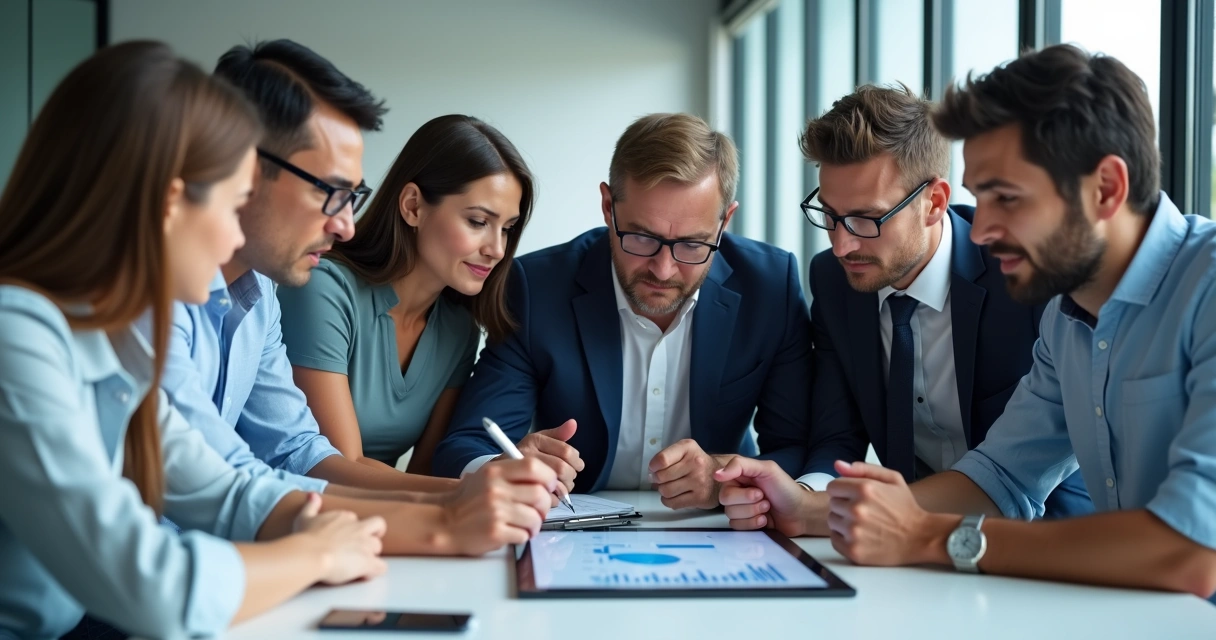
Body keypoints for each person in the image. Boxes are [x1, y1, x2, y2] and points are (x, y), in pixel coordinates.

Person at [721, 44, 1216, 599]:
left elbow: (1195, 549)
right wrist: (810, 510)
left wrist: (931, 539)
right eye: (982, 197)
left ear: (1105, 188)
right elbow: (999, 477)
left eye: (1007, 198)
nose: (979, 231)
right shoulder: (1066, 313)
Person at [0, 41, 388, 640]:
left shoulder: (117, 334)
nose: (234, 241)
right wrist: (316, 554)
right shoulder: (15, 333)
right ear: (169, 203)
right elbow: (153, 587)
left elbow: (219, 487)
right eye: (235, 206)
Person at [155, 38, 557, 550]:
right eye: (331, 193)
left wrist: (463, 499)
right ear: (245, 172)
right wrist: (445, 519)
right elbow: (224, 488)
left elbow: (296, 453)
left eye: (353, 198)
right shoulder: (154, 297)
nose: (345, 225)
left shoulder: (260, 300)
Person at [716, 85, 1091, 537]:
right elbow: (838, 435)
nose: (841, 244)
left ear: (933, 203)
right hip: (905, 545)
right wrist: (802, 498)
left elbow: (1034, 471)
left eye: (866, 219)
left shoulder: (1024, 276)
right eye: (830, 215)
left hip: (1045, 540)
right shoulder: (836, 280)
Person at [432, 113, 825, 510]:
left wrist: (723, 475)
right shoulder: (536, 287)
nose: (663, 269)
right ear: (607, 207)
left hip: (718, 531)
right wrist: (501, 466)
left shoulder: (770, 286)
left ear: (725, 222)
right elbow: (465, 446)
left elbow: (796, 447)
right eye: (641, 237)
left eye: (692, 244)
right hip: (573, 531)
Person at [277, 115, 533, 476]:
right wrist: (475, 490)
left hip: (381, 520)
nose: (497, 249)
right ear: (413, 206)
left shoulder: (458, 327)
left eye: (506, 229)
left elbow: (428, 472)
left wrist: (496, 472)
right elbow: (336, 467)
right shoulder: (323, 290)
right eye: (478, 222)